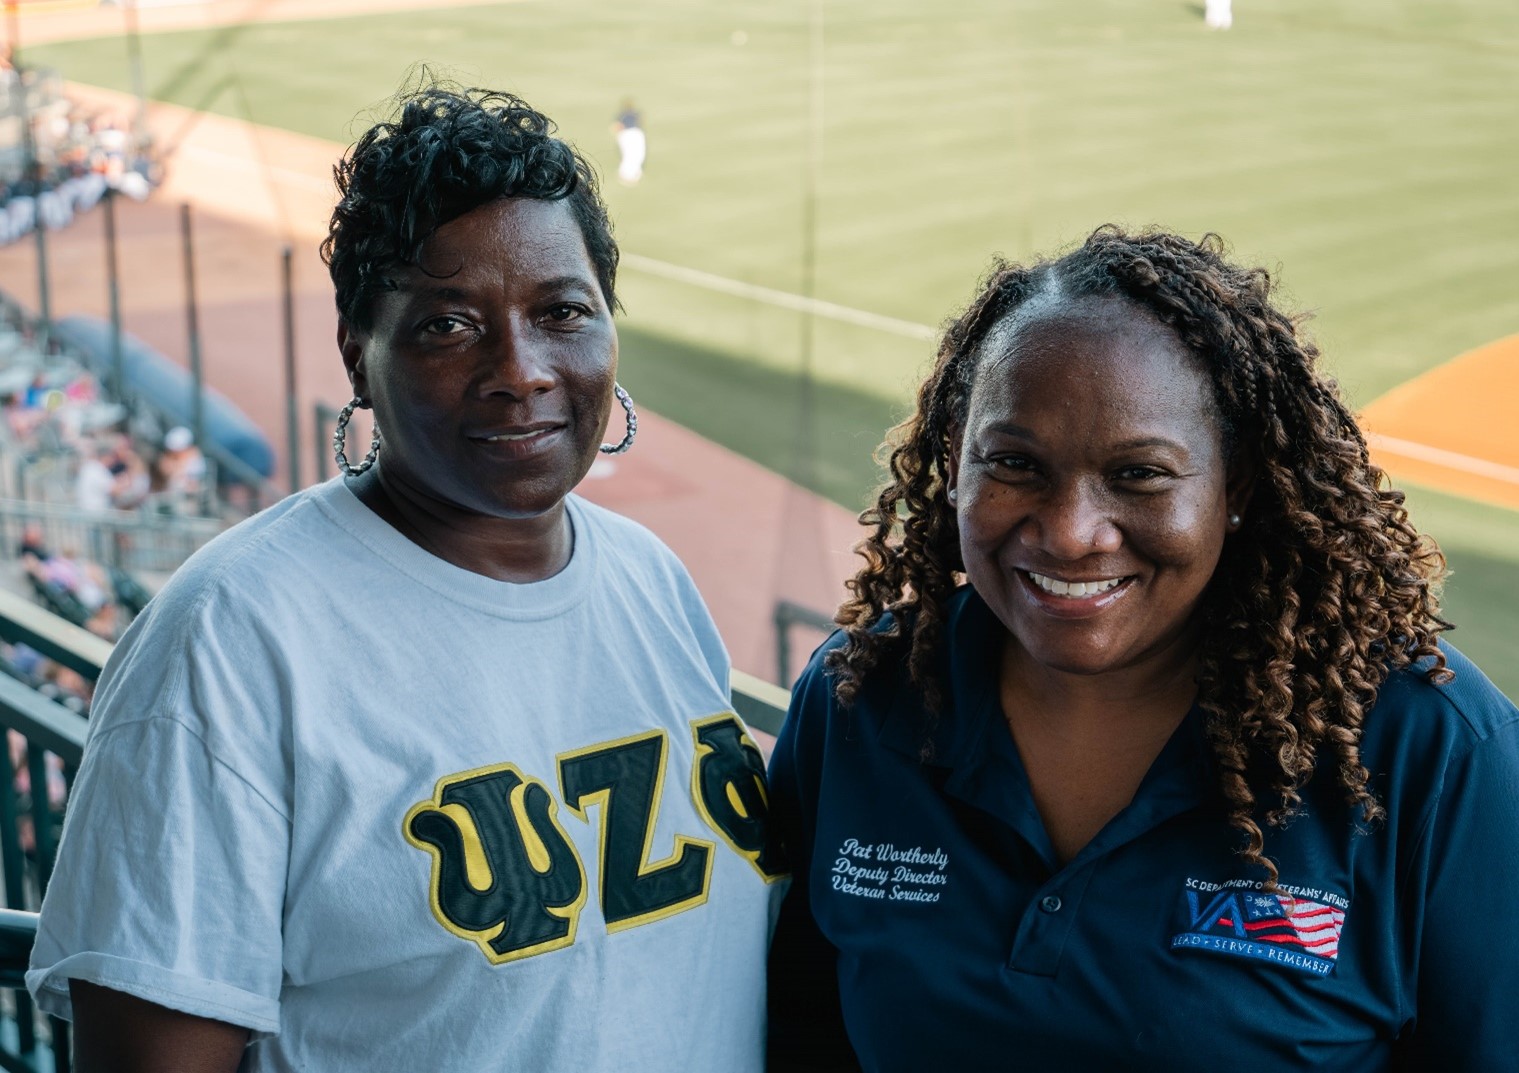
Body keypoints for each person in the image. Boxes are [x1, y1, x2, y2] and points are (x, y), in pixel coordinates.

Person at [28, 83, 784, 1072]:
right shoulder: (229, 641)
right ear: (358, 353)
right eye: (446, 325)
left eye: (561, 311)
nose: (521, 368)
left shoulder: (653, 580)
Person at [766, 227, 1519, 1070]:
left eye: (1139, 475)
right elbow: (800, 1028)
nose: (1069, 532)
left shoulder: (1430, 749)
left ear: (1235, 485)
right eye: (1014, 463)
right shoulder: (860, 698)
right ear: (953, 463)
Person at [611, 98, 646, 185]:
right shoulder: (634, 114)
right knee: (632, 154)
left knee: (634, 154)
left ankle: (632, 175)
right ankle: (627, 175)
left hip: (630, 134)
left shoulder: (623, 115)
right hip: (631, 134)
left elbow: (616, 127)